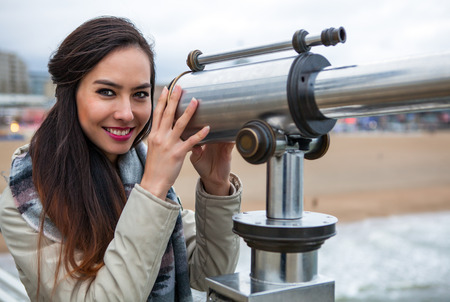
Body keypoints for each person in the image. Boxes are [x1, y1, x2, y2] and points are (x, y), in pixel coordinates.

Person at [0, 16, 241, 301]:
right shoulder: (26, 200)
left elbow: (212, 271)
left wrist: (216, 185)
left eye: (140, 94)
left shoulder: (139, 169)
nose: (127, 113)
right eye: (107, 92)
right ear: (70, 93)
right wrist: (152, 189)